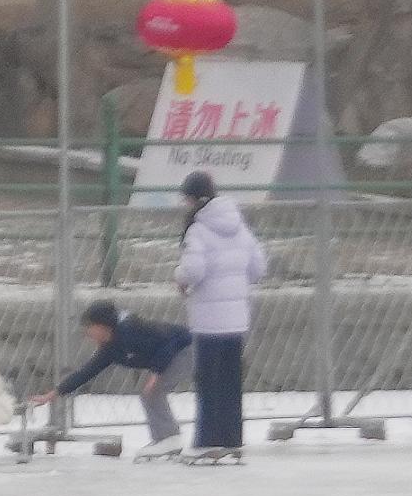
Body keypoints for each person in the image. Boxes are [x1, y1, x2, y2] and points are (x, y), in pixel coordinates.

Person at [173, 170, 269, 464]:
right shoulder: (240, 226)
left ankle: (207, 440)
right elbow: (259, 268)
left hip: (208, 320)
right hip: (236, 319)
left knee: (208, 381)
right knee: (231, 381)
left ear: (193, 199)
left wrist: (179, 277)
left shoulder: (198, 231)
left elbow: (194, 270)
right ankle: (232, 438)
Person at [37, 298, 193, 456]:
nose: (87, 333)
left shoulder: (130, 331)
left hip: (186, 350)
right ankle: (164, 439)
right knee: (149, 394)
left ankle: (170, 439)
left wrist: (156, 372)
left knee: (153, 392)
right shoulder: (110, 348)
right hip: (175, 354)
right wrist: (54, 393)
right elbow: (87, 371)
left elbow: (169, 344)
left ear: (103, 325)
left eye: (90, 327)